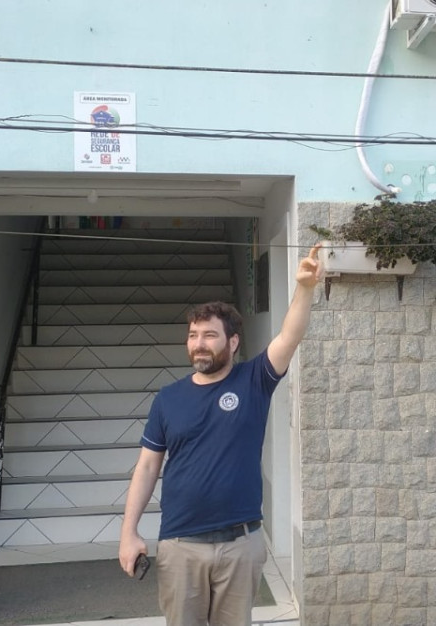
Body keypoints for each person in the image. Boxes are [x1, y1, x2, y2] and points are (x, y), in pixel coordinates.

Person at [119, 243, 323, 626]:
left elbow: (289, 336)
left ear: (232, 342)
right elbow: (146, 468)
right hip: (181, 544)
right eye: (193, 335)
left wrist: (305, 288)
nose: (199, 344)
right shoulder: (168, 398)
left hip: (240, 544)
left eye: (209, 335)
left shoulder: (254, 380)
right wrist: (128, 532)